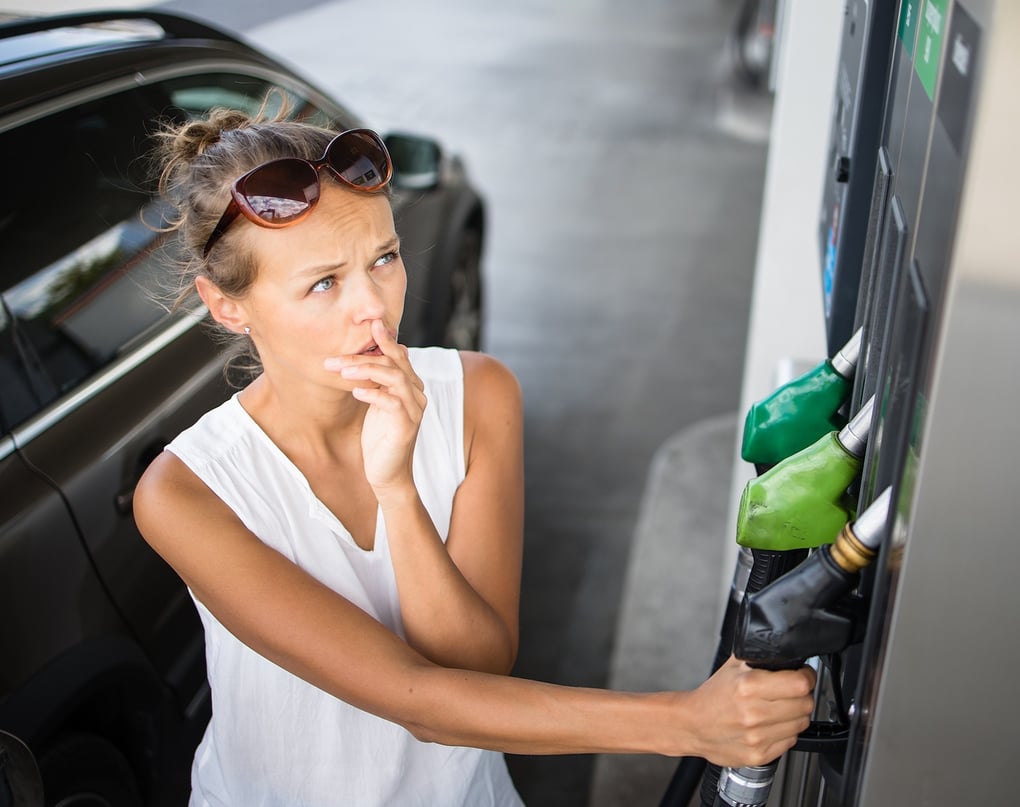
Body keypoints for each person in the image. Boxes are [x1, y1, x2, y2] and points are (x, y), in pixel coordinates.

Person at [133, 104, 816, 807]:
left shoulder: (479, 395)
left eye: (384, 258)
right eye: (324, 283)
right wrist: (687, 723)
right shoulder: (190, 492)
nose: (374, 306)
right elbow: (424, 704)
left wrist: (398, 490)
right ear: (227, 305)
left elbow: (478, 663)